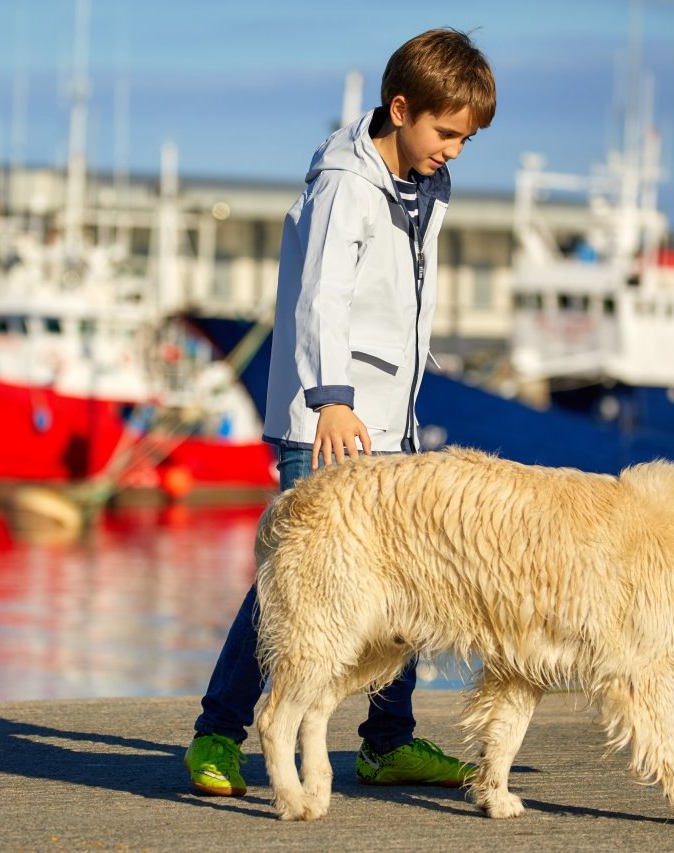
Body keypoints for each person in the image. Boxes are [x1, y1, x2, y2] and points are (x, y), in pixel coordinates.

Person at [184, 29, 496, 796]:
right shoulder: (344, 185)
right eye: (446, 132)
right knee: (293, 584)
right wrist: (329, 399)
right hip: (328, 420)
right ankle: (216, 734)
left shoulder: (427, 184)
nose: (454, 149)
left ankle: (388, 741)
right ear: (401, 108)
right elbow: (321, 294)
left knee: (405, 579)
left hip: (393, 419)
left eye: (466, 137)